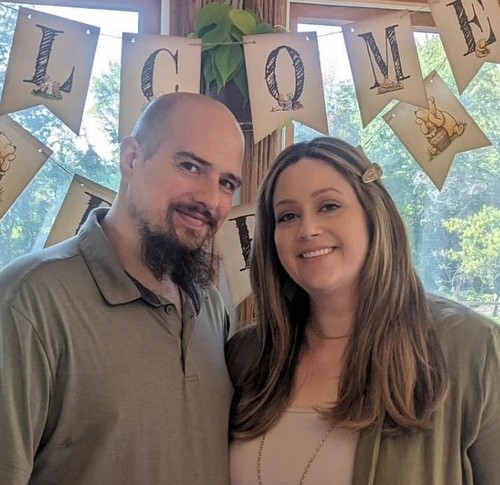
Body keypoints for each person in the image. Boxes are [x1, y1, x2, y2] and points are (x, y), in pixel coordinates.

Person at [0, 92, 245, 485]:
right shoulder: (31, 300)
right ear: (131, 158)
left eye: (227, 183)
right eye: (190, 166)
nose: (210, 199)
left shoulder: (210, 306)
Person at [227, 136, 500, 484]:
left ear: (374, 214)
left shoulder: (471, 349)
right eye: (288, 215)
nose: (308, 229)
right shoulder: (246, 356)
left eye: (329, 206)